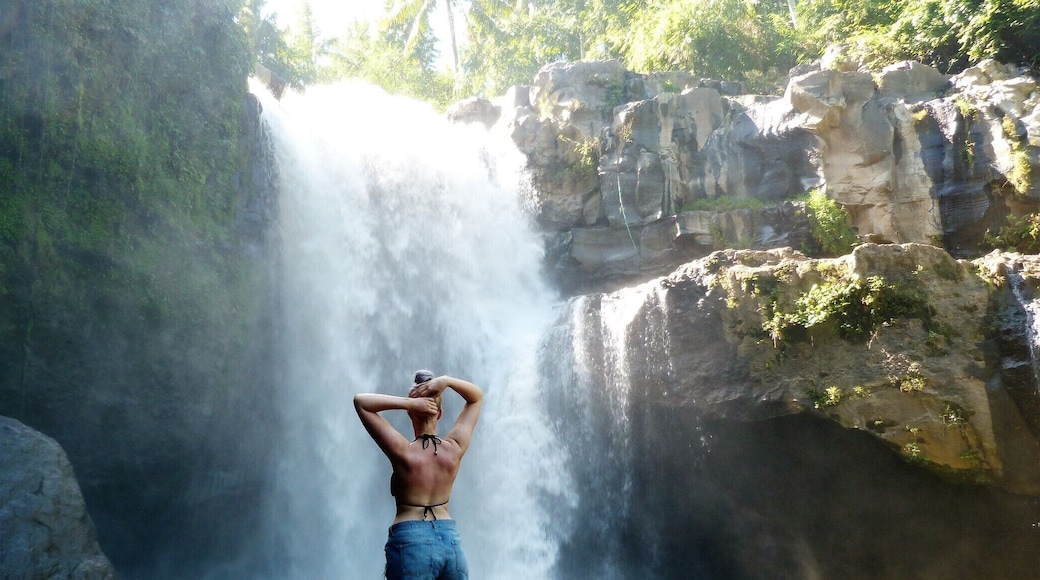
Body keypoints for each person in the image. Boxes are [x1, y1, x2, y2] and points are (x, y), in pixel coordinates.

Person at [353, 370, 483, 580]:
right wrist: (446, 381)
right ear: (439, 414)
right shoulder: (455, 448)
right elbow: (476, 398)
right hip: (450, 542)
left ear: (410, 413)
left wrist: (409, 403)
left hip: (412, 542)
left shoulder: (402, 451)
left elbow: (361, 402)